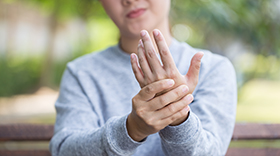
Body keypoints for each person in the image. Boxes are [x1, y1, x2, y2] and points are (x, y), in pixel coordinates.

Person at [50, 0, 237, 155]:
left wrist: (178, 117)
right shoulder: (81, 73)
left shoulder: (213, 69)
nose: (129, 0)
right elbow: (64, 150)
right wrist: (131, 130)